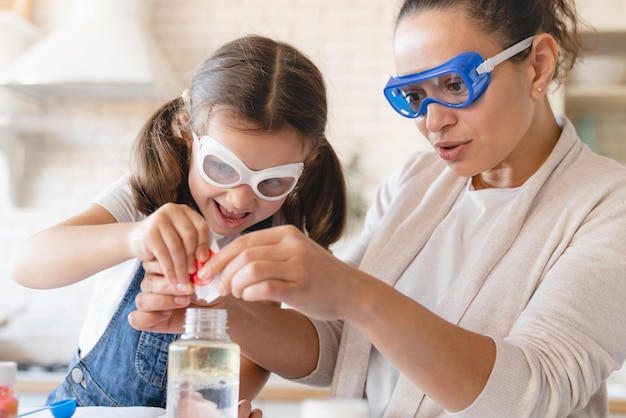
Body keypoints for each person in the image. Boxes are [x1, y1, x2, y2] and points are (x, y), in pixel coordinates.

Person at [128, 0, 626, 417]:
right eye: (413, 95)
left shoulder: (606, 207)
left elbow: (532, 393)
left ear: (537, 65)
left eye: (455, 85)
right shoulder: (417, 182)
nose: (433, 121)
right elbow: (342, 348)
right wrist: (216, 310)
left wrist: (354, 292)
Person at [10, 34, 347, 412]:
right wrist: (134, 237)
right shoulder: (143, 196)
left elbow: (256, 358)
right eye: (221, 167)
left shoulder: (280, 233)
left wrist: (221, 405)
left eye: (272, 182)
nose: (239, 199)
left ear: (307, 165)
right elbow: (26, 265)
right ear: (188, 134)